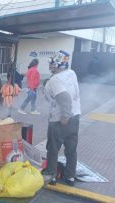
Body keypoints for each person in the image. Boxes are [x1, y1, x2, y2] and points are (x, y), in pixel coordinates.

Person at [41, 50, 81, 187]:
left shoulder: (54, 80)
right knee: (71, 149)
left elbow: (65, 98)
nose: (50, 65)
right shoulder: (72, 73)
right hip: (75, 118)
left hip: (60, 120)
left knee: (53, 148)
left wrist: (65, 116)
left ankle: (51, 175)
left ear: (57, 65)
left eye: (52, 63)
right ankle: (70, 177)